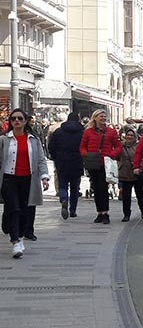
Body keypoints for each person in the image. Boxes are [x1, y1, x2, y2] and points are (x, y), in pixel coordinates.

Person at [0, 109, 50, 257]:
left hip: (28, 179)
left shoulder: (33, 140)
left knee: (24, 210)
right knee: (14, 209)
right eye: (13, 118)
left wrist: (44, 177)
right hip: (9, 178)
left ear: (25, 121)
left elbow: (41, 159)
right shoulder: (4, 139)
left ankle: (20, 237)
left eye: (20, 118)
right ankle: (15, 241)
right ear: (10, 121)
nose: (16, 121)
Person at [79, 109, 122, 224]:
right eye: (101, 116)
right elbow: (82, 146)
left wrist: (111, 155)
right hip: (93, 163)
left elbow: (118, 147)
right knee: (96, 188)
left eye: (104, 116)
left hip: (105, 164)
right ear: (95, 118)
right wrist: (86, 155)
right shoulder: (88, 132)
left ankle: (105, 213)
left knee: (103, 187)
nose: (103, 118)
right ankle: (99, 212)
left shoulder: (111, 132)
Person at [47, 112, 84, 219]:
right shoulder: (82, 132)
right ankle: (73, 210)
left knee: (63, 184)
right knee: (74, 187)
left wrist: (55, 157)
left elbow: (51, 146)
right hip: (77, 162)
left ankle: (63, 199)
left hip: (62, 162)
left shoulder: (59, 131)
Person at [117, 128, 143, 221]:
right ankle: (126, 214)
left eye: (132, 135)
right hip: (125, 173)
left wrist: (139, 167)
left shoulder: (139, 146)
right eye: (128, 135)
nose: (129, 137)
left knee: (140, 194)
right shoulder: (121, 146)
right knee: (126, 196)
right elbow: (116, 157)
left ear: (135, 136)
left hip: (137, 174)